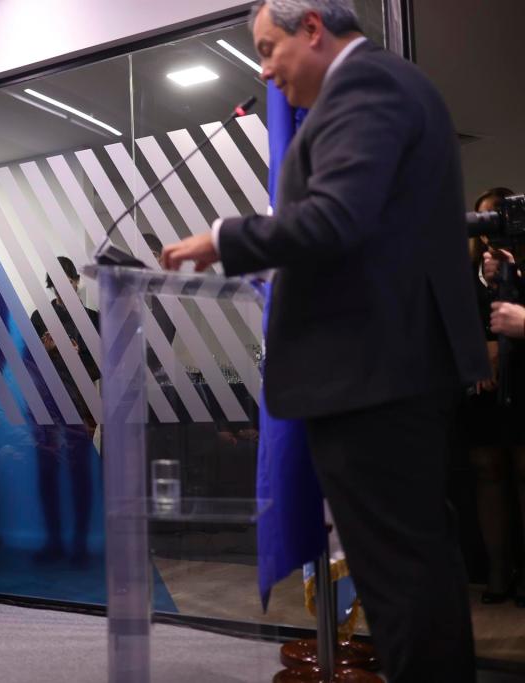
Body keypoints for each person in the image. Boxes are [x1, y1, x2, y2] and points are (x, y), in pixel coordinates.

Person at [160, 2, 488, 681]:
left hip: (375, 373)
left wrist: (223, 239)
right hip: (391, 367)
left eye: (268, 46)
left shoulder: (366, 84)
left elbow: (338, 218)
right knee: (415, 568)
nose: (264, 67)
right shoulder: (390, 84)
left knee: (400, 578)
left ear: (312, 27)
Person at [462, 187, 525, 605]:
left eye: (501, 219)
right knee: (488, 470)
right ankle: (497, 570)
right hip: (481, 390)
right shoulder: (465, 274)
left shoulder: (519, 269)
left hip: (522, 383)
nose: (493, 231)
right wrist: (477, 356)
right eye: (486, 221)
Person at [27, 259, 98, 565]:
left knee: (80, 477)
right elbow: (27, 364)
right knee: (48, 477)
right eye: (57, 282)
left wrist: (78, 354)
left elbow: (102, 366)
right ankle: (53, 541)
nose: (64, 286)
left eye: (68, 280)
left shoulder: (94, 319)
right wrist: (44, 350)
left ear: (76, 281)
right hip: (47, 406)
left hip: (81, 406)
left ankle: (81, 543)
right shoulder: (39, 317)